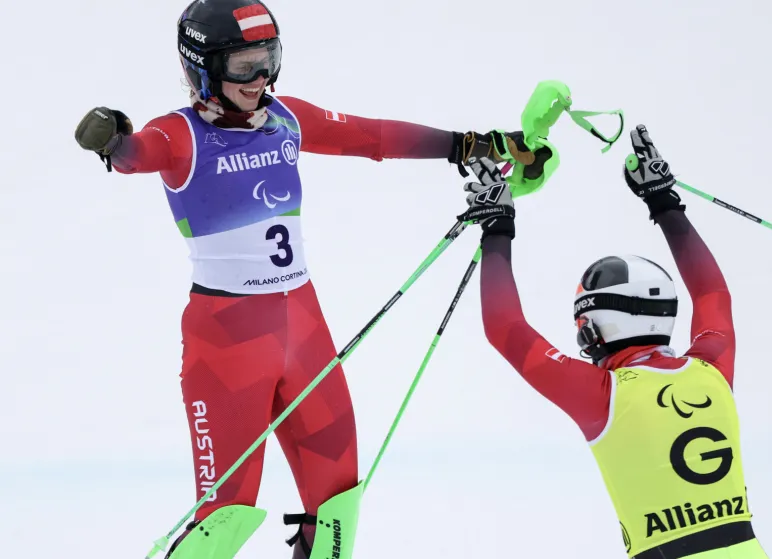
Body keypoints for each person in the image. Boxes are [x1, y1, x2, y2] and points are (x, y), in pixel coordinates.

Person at [72, 1, 542, 557]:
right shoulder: (179, 135)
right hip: (227, 343)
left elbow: (372, 137)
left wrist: (470, 144)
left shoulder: (285, 119)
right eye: (243, 65)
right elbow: (138, 155)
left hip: (303, 327)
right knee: (221, 521)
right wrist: (114, 141)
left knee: (338, 506)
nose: (260, 77)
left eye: (268, 59)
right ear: (203, 67)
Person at [457, 125, 771, 559]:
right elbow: (712, 294)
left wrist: (497, 229)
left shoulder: (605, 395)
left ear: (596, 327)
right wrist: (664, 202)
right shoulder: (712, 369)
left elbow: (504, 327)